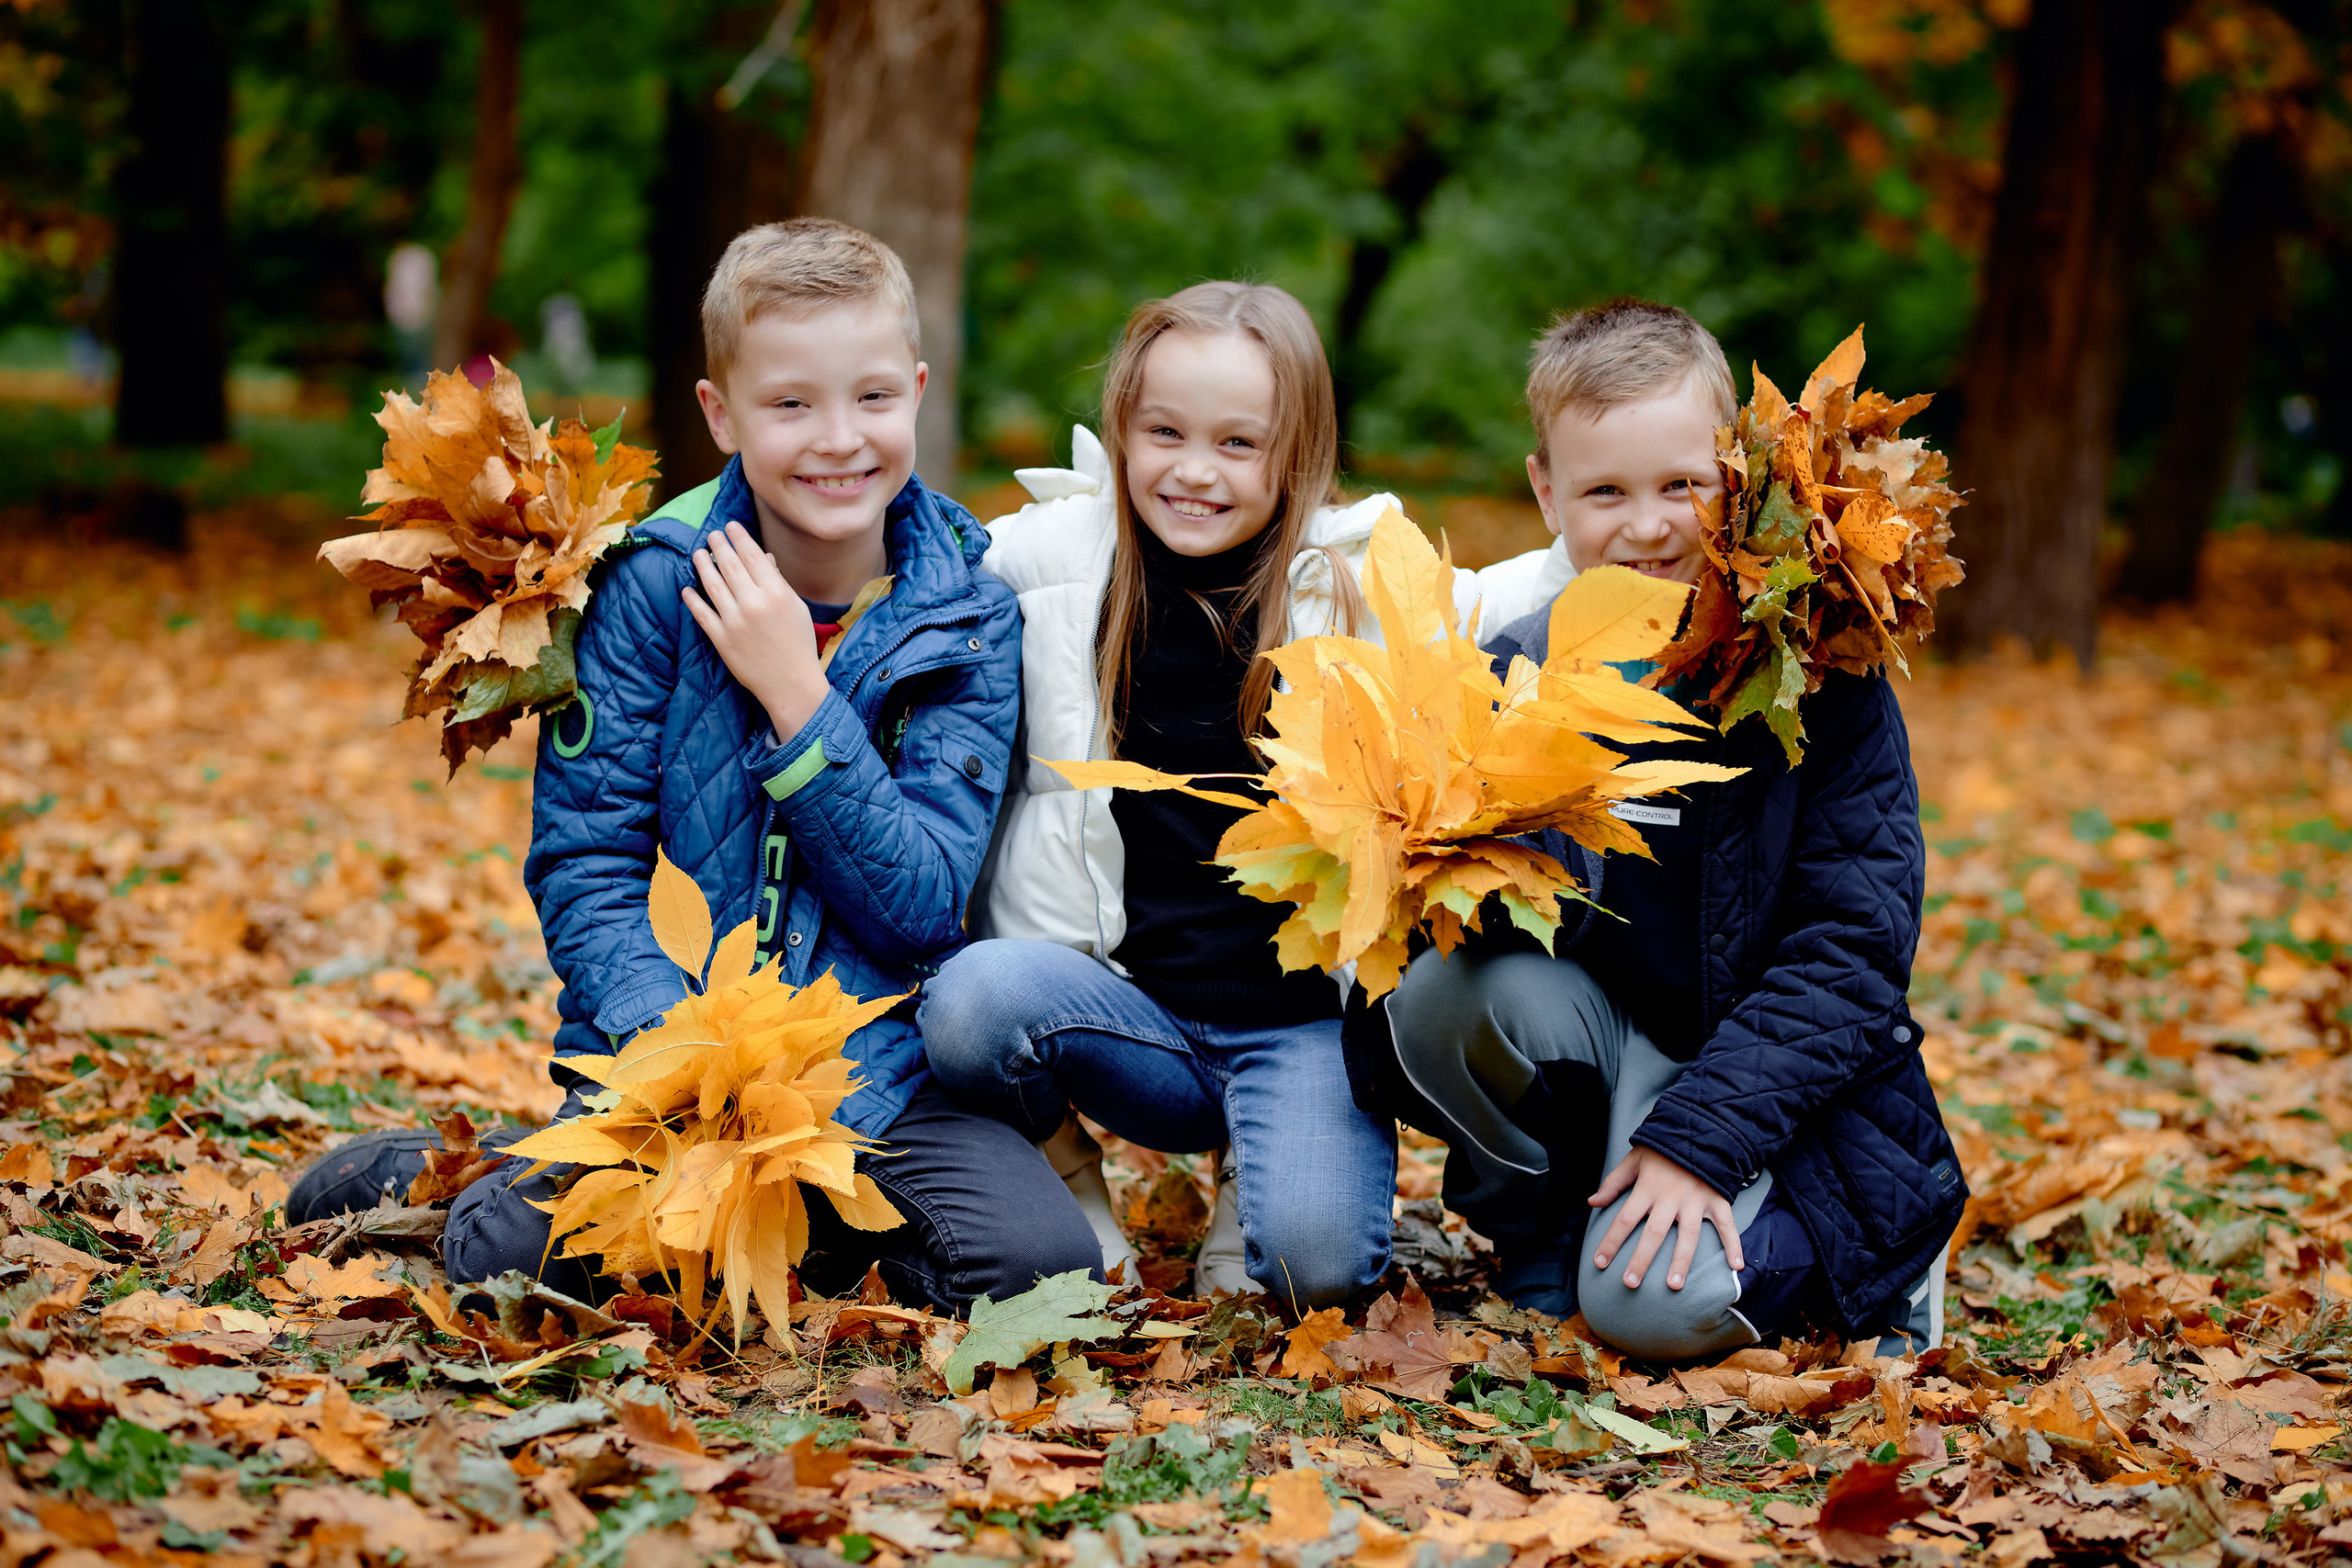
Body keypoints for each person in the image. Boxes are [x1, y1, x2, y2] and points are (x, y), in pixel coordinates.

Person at [289, 219, 1100, 1313]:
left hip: (885, 1077)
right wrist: (681, 1059)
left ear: (916, 392)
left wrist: (798, 698)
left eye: (871, 397)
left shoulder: (967, 615)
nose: (838, 439)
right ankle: (456, 1178)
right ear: (722, 414)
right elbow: (587, 862)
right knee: (523, 1266)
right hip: (674, 1061)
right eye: (790, 404)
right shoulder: (649, 588)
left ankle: (803, 1230)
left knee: (1035, 1269)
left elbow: (920, 906)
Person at [1344, 300, 1965, 1358]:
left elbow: (1850, 953)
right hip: (1608, 1036)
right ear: (1547, 492)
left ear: (1740, 471)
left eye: (1683, 485)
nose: (1648, 526)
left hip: (1774, 1073)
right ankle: (1544, 1229)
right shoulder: (1509, 671)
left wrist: (1700, 1143)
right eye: (1605, 492)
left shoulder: (1819, 674)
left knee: (1650, 1309)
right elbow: (1470, 915)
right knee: (1438, 991)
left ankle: (1873, 1253)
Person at [919, 282, 1416, 1308]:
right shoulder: (1055, 560)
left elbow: (1531, 597)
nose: (1194, 470)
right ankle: (1070, 1185)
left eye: (1238, 443)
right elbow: (908, 557)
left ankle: (1253, 1175)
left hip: (1298, 1023)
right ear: (1122, 428)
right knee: (971, 1001)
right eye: (1164, 433)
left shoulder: (1360, 588)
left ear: (1298, 452)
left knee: (1315, 1271)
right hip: (1122, 1008)